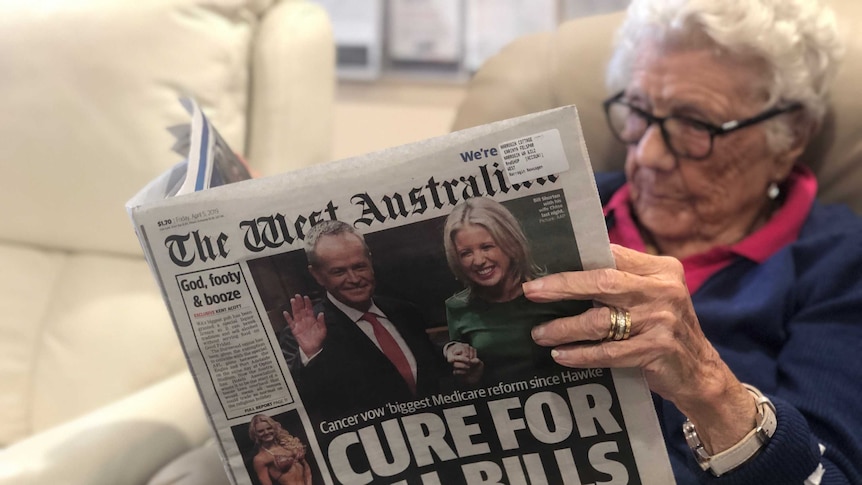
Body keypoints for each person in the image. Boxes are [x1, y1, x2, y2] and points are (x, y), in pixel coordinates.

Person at [523, 0, 862, 483]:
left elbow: (831, 476)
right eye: (638, 112)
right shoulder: (564, 206)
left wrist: (707, 387)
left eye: (696, 125)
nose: (649, 154)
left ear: (790, 137)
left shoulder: (840, 263)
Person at [278, 220, 446, 419]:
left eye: (359, 267)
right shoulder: (303, 335)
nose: (354, 279)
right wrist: (312, 355)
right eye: (339, 271)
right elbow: (307, 407)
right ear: (317, 275)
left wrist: (449, 350)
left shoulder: (405, 312)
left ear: (370, 261)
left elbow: (432, 372)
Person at [442, 197, 590, 386]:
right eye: (466, 253)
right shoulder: (458, 307)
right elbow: (467, 378)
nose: (478, 260)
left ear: (510, 243)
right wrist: (470, 374)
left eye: (486, 247)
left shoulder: (556, 289)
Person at [249, 414, 312, 485]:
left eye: (269, 428)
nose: (266, 432)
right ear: (255, 434)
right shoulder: (260, 459)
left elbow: (306, 469)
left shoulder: (288, 445)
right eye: (261, 431)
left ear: (274, 428)